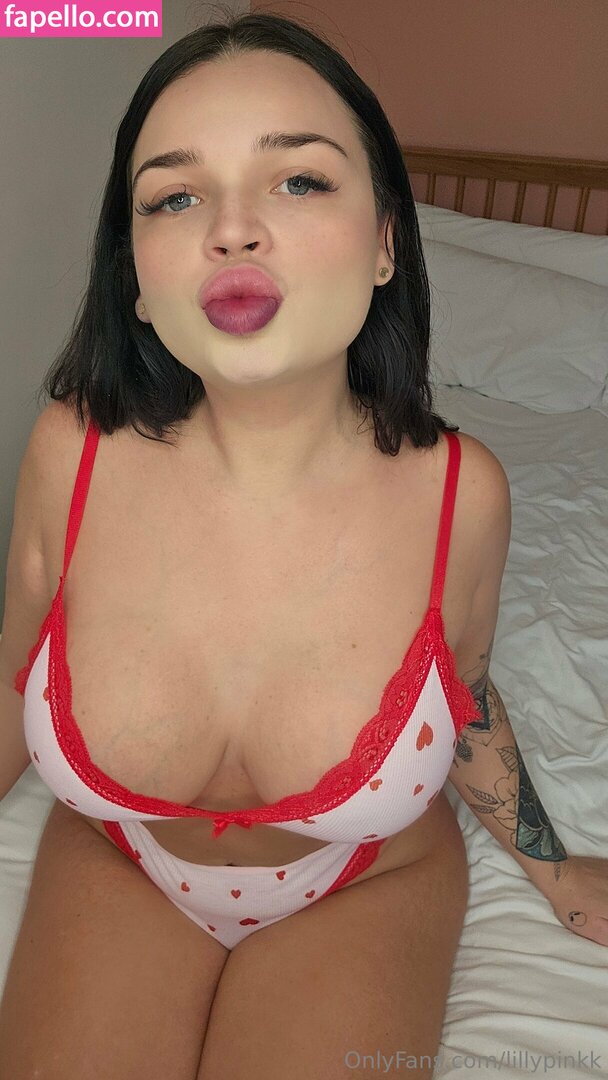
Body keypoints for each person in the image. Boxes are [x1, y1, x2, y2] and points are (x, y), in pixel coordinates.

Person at [1, 8, 606, 1079]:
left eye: (298, 180)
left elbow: (461, 692)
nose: (232, 230)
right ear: (136, 273)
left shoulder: (460, 493)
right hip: (119, 860)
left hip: (362, 882)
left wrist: (555, 871)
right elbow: (16, 665)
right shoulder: (69, 450)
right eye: (175, 195)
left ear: (384, 244)